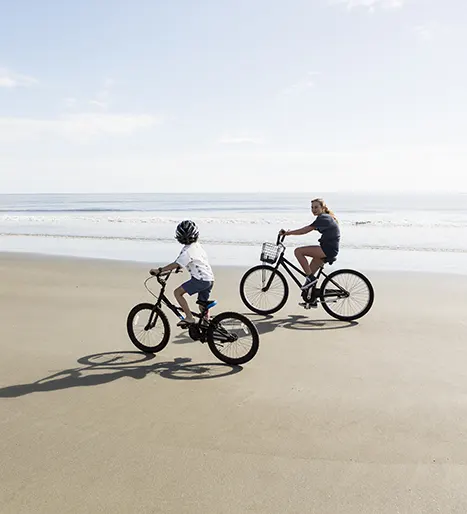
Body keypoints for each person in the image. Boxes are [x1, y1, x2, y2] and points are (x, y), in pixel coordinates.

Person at [150, 220, 215, 328]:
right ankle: (207, 327)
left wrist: (160, 270)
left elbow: (176, 263)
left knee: (177, 293)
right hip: (209, 279)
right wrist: (179, 267)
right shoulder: (197, 246)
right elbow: (191, 261)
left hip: (200, 280)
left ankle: (189, 317)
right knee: (202, 304)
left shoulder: (187, 251)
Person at [280, 197, 340, 293]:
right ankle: (312, 298)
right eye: (312, 207)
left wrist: (288, 233)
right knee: (309, 280)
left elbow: (305, 230)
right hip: (329, 249)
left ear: (322, 208)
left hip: (327, 249)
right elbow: (308, 229)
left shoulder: (324, 218)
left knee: (298, 251)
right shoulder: (325, 218)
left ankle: (311, 279)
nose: (313, 210)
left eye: (316, 207)